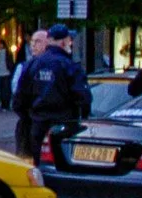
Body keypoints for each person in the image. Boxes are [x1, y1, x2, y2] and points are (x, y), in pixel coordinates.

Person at [14, 26, 88, 164]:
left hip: (37, 125)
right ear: (63, 42)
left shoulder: (32, 64)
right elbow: (83, 98)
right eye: (69, 39)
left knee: (37, 166)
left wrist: (31, 117)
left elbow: (19, 99)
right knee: (60, 167)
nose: (71, 43)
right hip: (63, 126)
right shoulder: (69, 65)